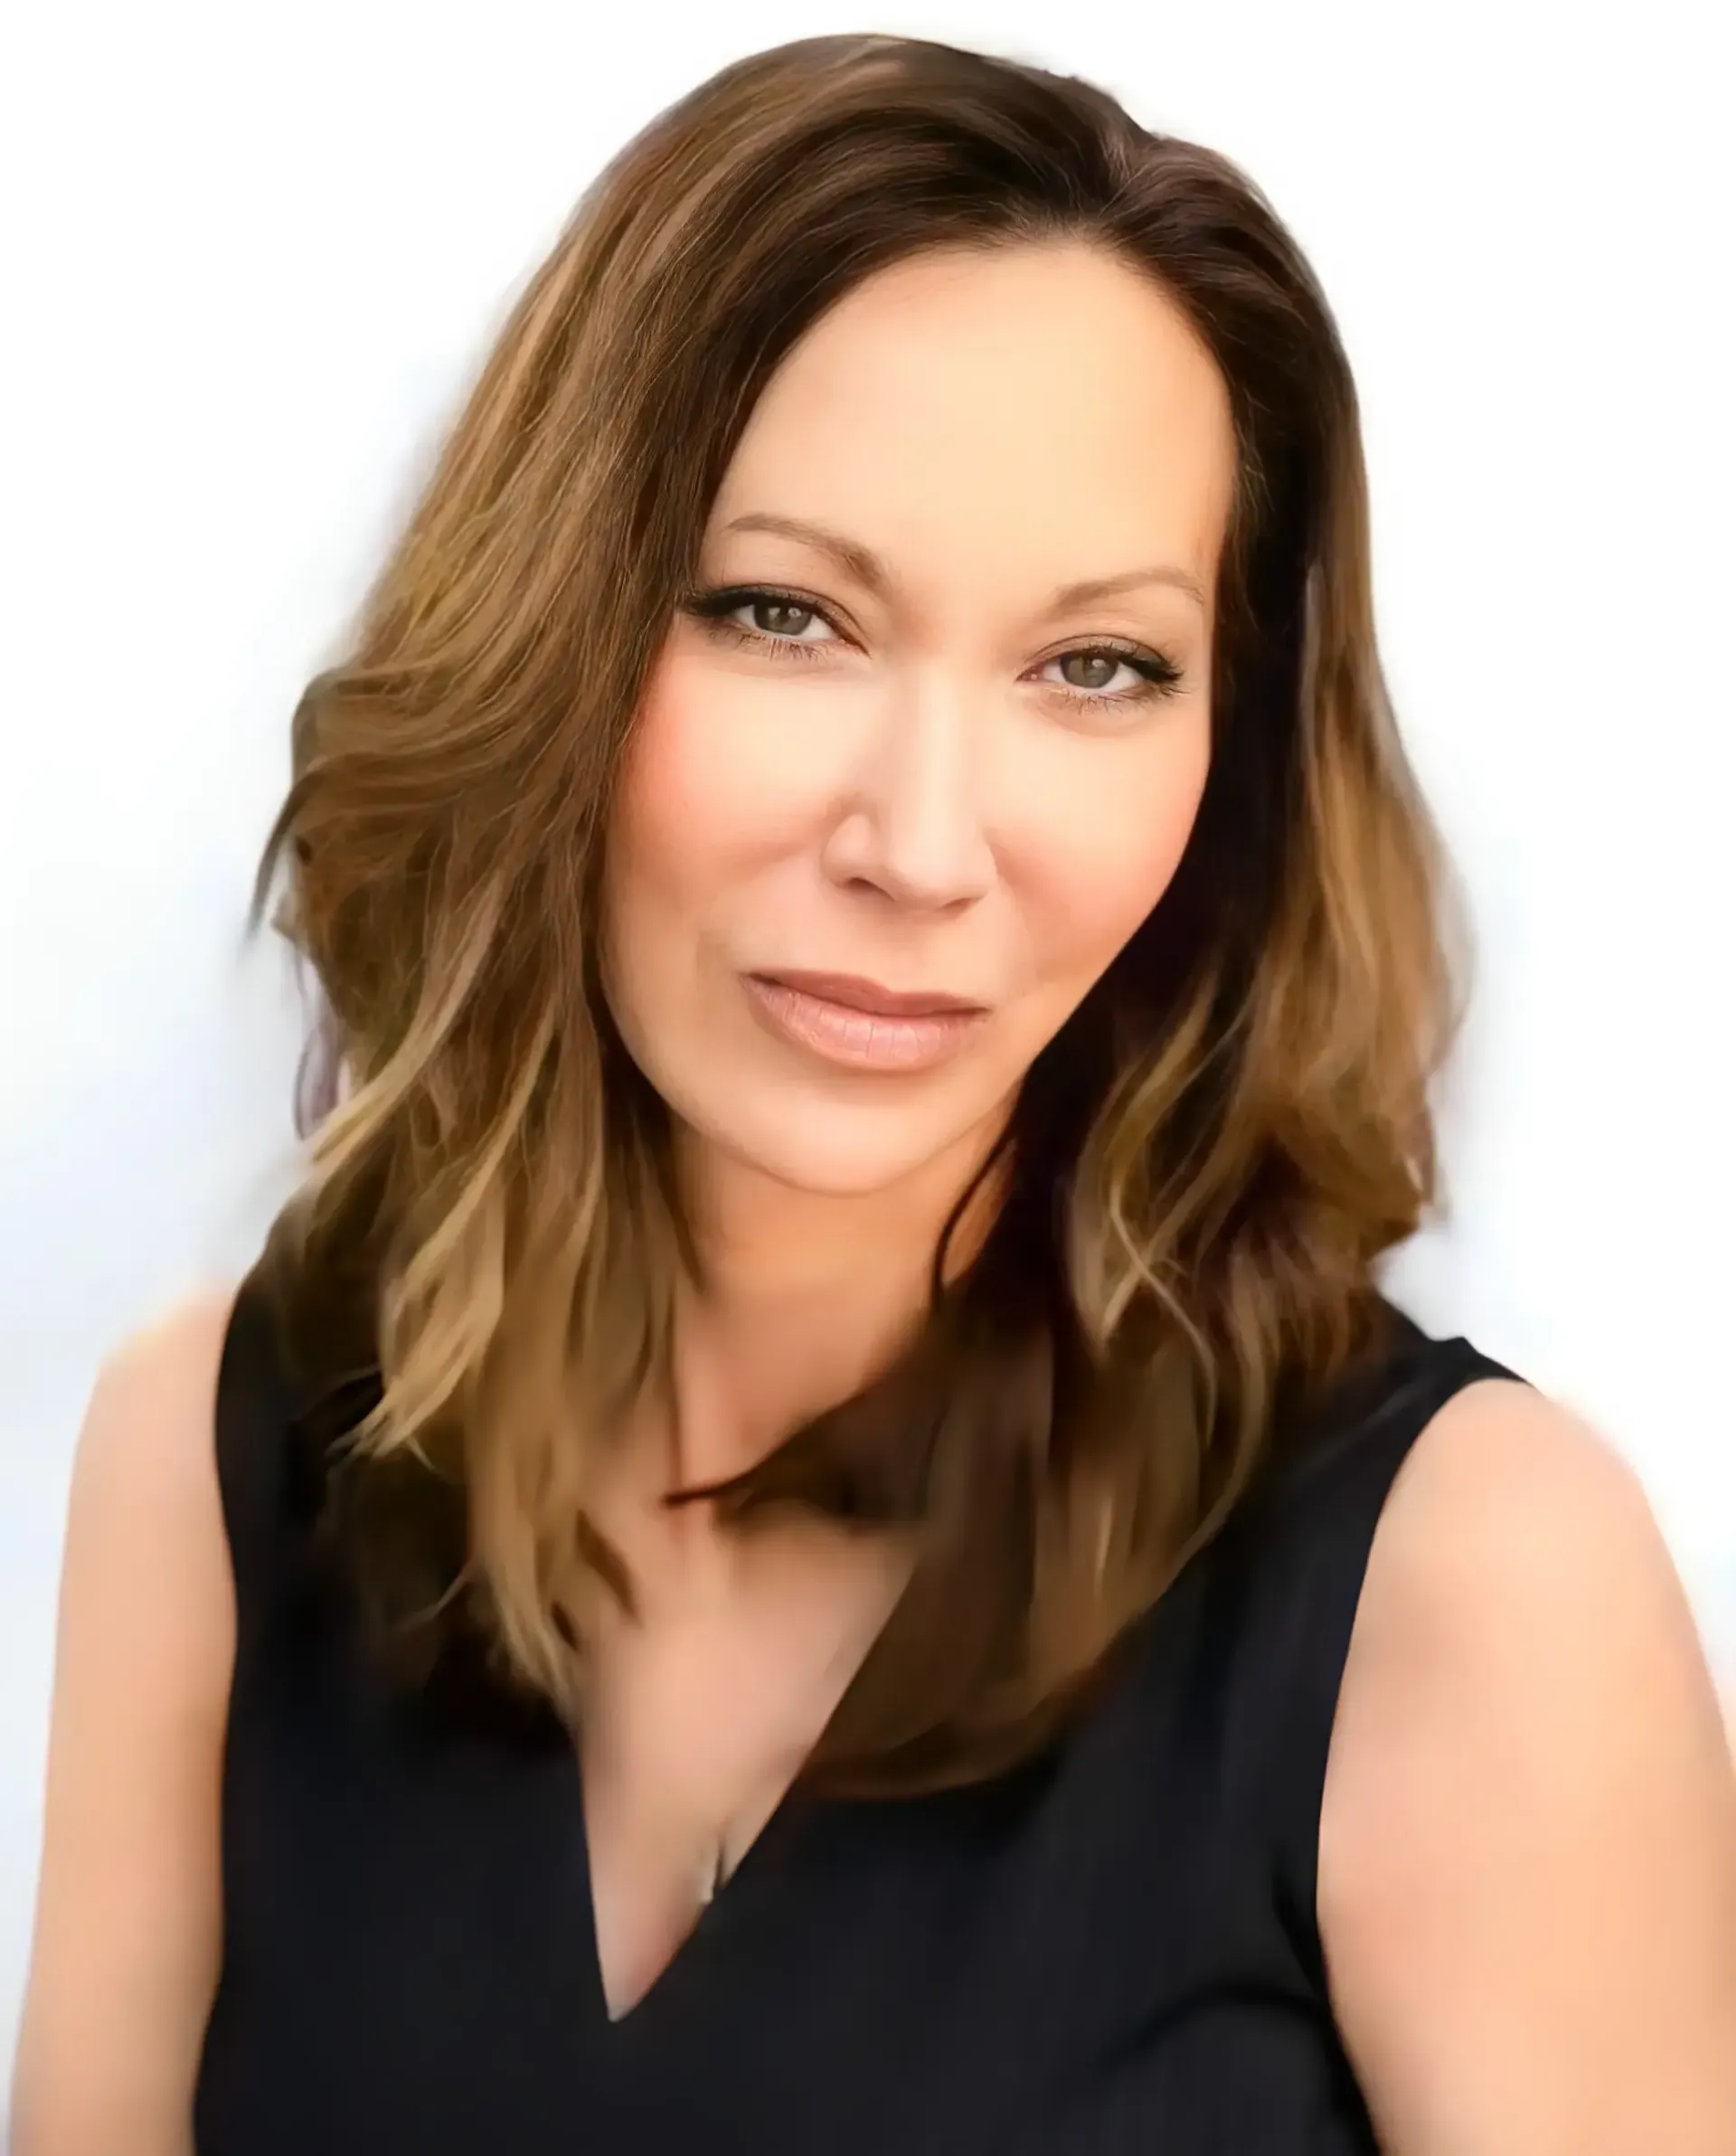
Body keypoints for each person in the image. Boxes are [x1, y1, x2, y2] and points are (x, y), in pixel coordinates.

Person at [13, 31, 1736, 2156]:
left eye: (1095, 665)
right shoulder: (212, 1457)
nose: (925, 844)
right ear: (545, 645)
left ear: (1233, 768)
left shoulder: (1468, 1584)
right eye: (783, 615)